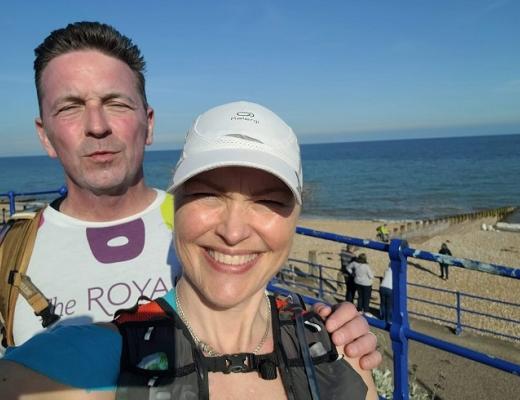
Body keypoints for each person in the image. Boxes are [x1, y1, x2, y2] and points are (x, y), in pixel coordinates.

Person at [0, 21, 381, 368]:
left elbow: (262, 317)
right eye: (70, 107)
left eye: (116, 103)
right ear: (44, 134)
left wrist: (337, 331)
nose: (97, 126)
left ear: (148, 124)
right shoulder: (12, 254)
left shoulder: (201, 227)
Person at [0, 101, 378, 399]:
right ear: (175, 204)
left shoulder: (336, 356)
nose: (232, 232)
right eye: (207, 194)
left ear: (295, 217)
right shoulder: (96, 360)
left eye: (267, 201)